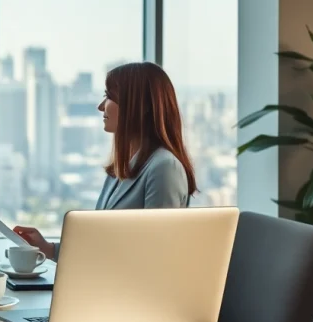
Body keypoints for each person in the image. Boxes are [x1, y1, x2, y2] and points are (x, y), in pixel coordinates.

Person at [12, 62, 197, 261]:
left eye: (109, 96)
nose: (101, 106)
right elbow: (102, 243)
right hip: (106, 284)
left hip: (131, 290)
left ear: (137, 106)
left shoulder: (164, 167)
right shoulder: (121, 169)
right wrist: (48, 249)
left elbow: (155, 255)